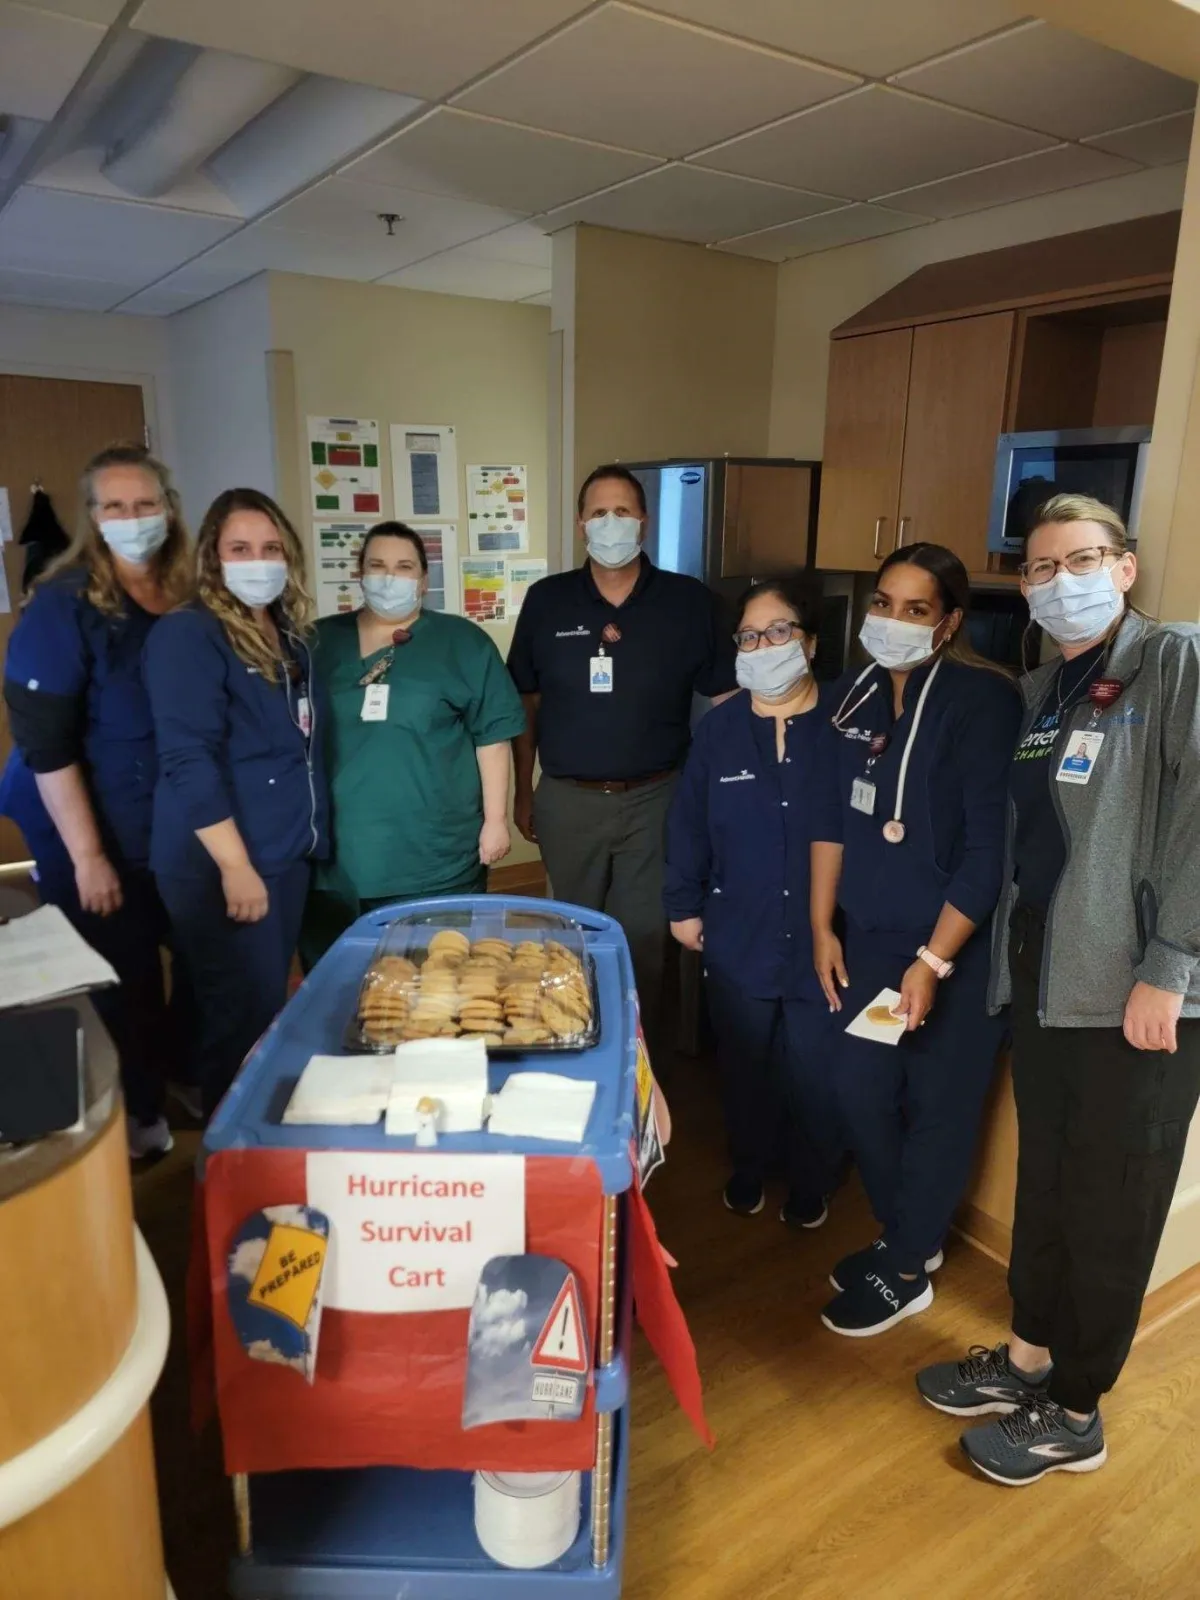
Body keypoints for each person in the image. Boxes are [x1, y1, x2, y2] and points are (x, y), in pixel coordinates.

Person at [917, 494, 1200, 1485]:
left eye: (1083, 558)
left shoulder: (1175, 660)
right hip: (1046, 978)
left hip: (1137, 991)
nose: (1060, 579)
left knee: (1111, 1201)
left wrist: (1172, 968)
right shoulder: (1045, 686)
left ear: (1124, 567)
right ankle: (1029, 1354)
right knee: (1048, 1181)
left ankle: (1077, 1407)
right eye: (1040, 567)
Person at [811, 543, 1022, 1338]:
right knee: (856, 1084)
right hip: (868, 938)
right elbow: (833, 820)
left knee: (937, 1105)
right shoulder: (855, 697)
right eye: (883, 605)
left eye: (916, 609)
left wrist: (932, 961)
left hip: (950, 950)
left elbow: (986, 854)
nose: (892, 622)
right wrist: (822, 925)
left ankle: (905, 1269)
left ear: (950, 622)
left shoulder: (981, 702)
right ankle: (913, 1236)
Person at [0, 444, 194, 1158]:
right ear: (91, 517)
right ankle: (136, 1118)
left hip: (167, 816)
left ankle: (177, 1072)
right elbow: (48, 746)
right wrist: (88, 857)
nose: (132, 518)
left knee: (204, 958)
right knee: (124, 972)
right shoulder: (63, 605)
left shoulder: (186, 592)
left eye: (145, 503)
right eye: (114, 506)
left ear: (168, 509)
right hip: (82, 820)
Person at [507, 464, 737, 1053]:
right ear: (581, 523)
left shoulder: (690, 602)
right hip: (568, 796)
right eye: (599, 512)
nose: (612, 523)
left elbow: (729, 701)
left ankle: (639, 1059)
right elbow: (524, 704)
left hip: (659, 797)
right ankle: (575, 1041)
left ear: (645, 520)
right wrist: (524, 791)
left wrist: (722, 796)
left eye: (624, 511)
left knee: (644, 938)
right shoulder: (548, 600)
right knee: (572, 935)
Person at [664, 575, 843, 1222]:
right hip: (738, 928)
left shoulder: (849, 721)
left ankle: (810, 1180)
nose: (761, 645)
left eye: (777, 631)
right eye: (748, 635)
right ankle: (748, 1166)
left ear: (810, 642)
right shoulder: (720, 730)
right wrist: (682, 906)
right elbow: (688, 822)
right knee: (744, 1064)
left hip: (827, 939)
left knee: (814, 1070)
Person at [144, 488, 328, 1117]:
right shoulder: (189, 635)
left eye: (271, 548)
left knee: (234, 998)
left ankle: (211, 1105)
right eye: (240, 549)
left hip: (284, 849)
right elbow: (186, 760)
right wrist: (235, 866)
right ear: (214, 559)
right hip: (227, 859)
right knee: (245, 1012)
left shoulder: (291, 639)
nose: (259, 561)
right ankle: (235, 1148)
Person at [299, 521, 526, 965]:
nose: (390, 576)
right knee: (339, 991)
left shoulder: (461, 643)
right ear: (358, 573)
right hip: (335, 858)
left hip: (434, 856)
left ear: (424, 580)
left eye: (404, 567)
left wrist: (495, 820)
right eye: (377, 565)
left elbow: (493, 736)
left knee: (437, 986)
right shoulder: (316, 644)